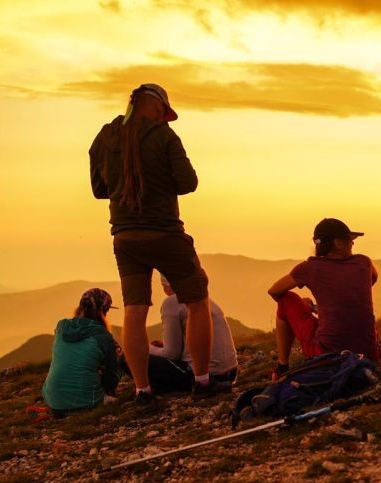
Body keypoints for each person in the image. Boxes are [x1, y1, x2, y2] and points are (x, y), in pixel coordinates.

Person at [89, 83, 223, 407]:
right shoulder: (164, 137)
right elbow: (188, 183)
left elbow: (98, 189)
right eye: (165, 113)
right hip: (165, 232)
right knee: (197, 300)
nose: (165, 119)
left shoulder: (105, 136)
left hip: (125, 236)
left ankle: (142, 390)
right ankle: (203, 382)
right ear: (157, 107)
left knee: (134, 310)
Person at [267, 218, 379, 379]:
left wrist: (303, 306)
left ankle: (282, 367)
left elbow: (274, 291)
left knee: (286, 299)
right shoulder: (364, 262)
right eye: (350, 240)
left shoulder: (309, 268)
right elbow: (371, 280)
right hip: (369, 354)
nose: (353, 244)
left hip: (328, 356)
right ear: (338, 243)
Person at [134, 274, 238, 393]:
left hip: (205, 375)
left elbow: (172, 354)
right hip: (231, 373)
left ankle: (147, 391)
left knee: (129, 356)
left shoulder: (171, 302)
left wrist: (147, 348)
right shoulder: (202, 298)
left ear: (166, 286)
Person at [42, 288, 122, 413]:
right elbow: (111, 378)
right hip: (87, 402)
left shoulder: (61, 326)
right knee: (116, 360)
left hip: (53, 400)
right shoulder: (103, 336)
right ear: (104, 311)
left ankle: (61, 404)